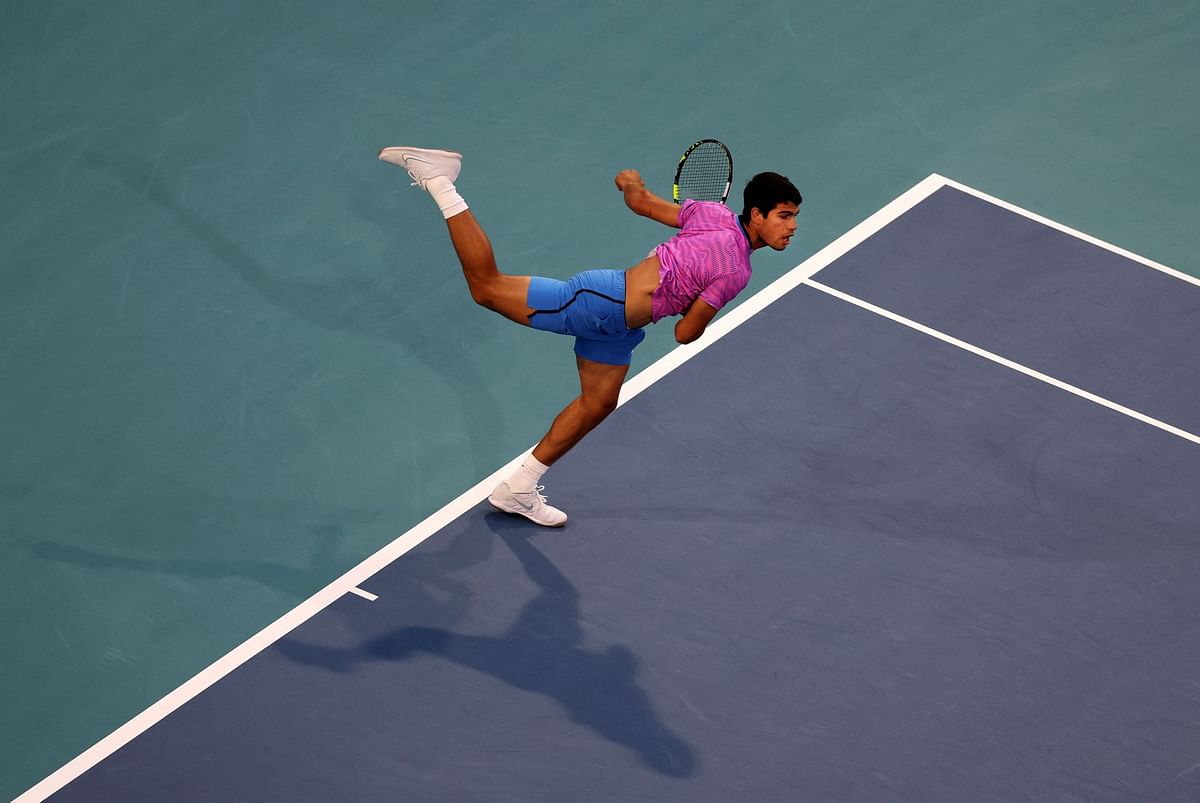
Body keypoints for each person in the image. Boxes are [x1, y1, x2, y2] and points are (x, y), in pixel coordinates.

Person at [379, 146, 801, 527]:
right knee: (486, 288)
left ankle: (518, 489)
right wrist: (701, 301)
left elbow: (641, 203)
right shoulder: (735, 272)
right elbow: (684, 333)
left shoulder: (712, 214)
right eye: (784, 216)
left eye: (795, 216)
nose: (792, 226)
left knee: (598, 404)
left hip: (619, 327)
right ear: (757, 215)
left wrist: (631, 185)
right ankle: (439, 179)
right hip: (599, 302)